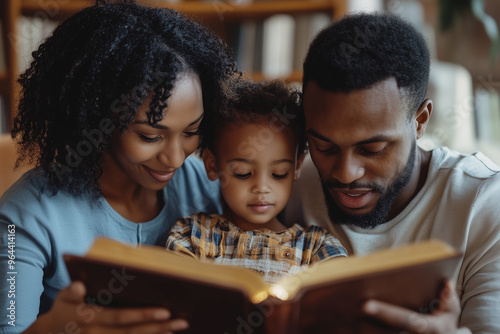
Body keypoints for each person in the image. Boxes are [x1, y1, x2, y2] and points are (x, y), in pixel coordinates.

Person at [0, 1, 237, 333]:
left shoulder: (207, 185)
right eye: (149, 136)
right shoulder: (25, 215)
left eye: (191, 131)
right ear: (97, 122)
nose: (175, 159)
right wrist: (54, 328)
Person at [283, 12, 500, 333]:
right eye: (324, 147)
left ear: (421, 120)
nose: (345, 174)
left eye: (373, 149)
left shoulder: (482, 204)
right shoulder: (284, 184)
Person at [166, 79, 347, 284]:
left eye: (279, 173)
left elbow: (340, 298)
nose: (261, 188)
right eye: (243, 173)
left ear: (296, 167)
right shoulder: (192, 237)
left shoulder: (316, 247)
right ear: (212, 165)